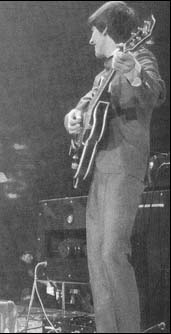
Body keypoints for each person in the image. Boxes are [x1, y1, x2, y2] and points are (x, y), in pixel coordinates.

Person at [64, 2, 165, 332]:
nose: (92, 39)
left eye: (95, 31)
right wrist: (73, 119)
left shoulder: (140, 57)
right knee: (95, 259)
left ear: (108, 30)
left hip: (125, 165)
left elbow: (156, 94)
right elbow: (85, 108)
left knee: (112, 253)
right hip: (100, 169)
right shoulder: (102, 75)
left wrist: (133, 70)